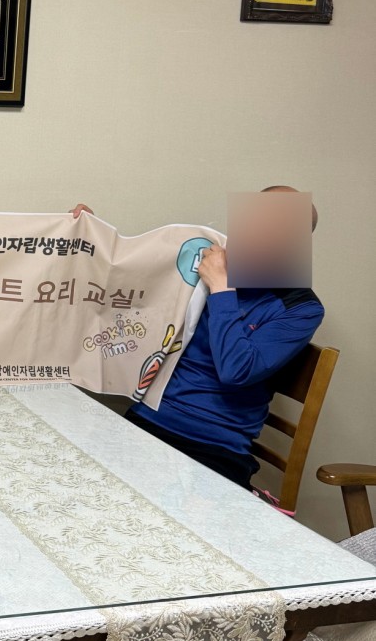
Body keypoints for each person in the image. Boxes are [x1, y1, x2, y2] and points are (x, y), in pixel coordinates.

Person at [71, 185, 323, 490]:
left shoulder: (302, 308)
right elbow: (125, 285)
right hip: (151, 419)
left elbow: (237, 370)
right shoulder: (196, 260)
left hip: (217, 444)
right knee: (78, 487)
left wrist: (221, 288)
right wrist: (88, 239)